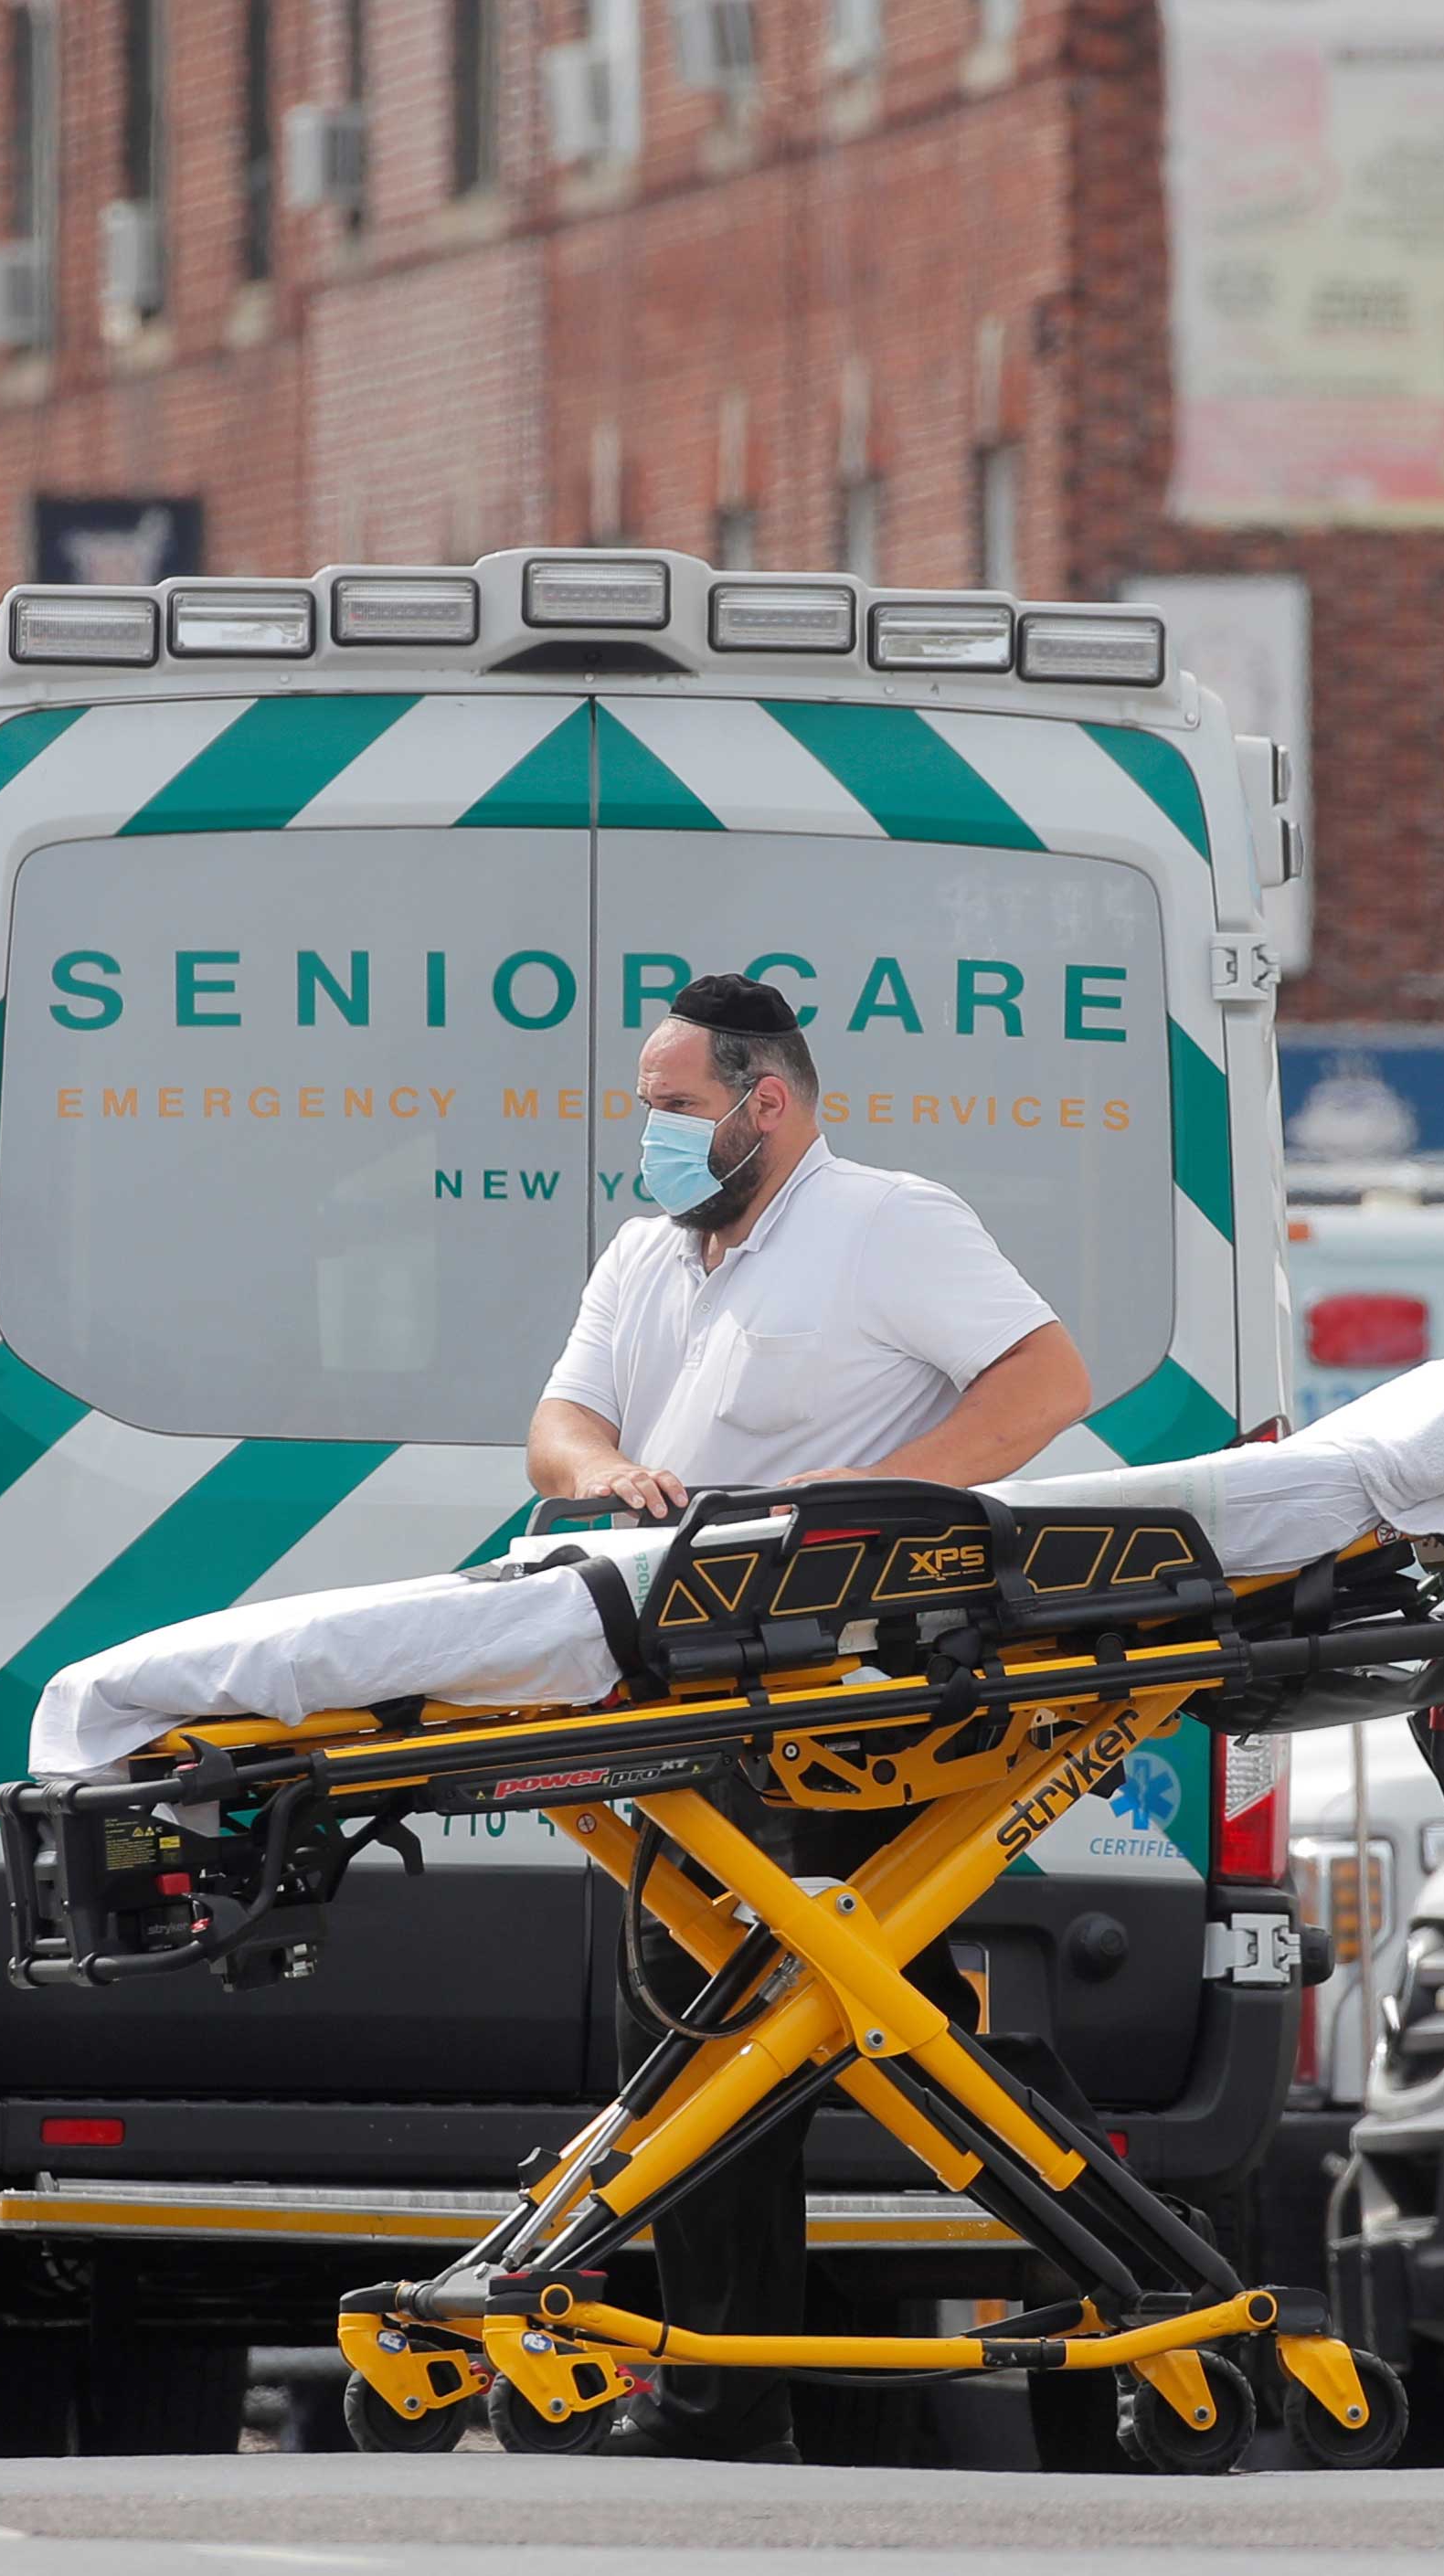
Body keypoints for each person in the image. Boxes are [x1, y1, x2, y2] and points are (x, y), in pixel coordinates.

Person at [529, 971, 1091, 2462]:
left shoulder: (883, 1225)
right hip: (699, 1698)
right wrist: (598, 1477)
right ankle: (723, 2403)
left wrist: (876, 1509)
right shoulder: (649, 1255)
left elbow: (1043, 1381)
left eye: (669, 1109)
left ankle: (1086, 2357)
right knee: (724, 2027)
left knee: (872, 2031)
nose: (645, 1136)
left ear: (763, 1105)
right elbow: (560, 1421)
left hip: (855, 1698)